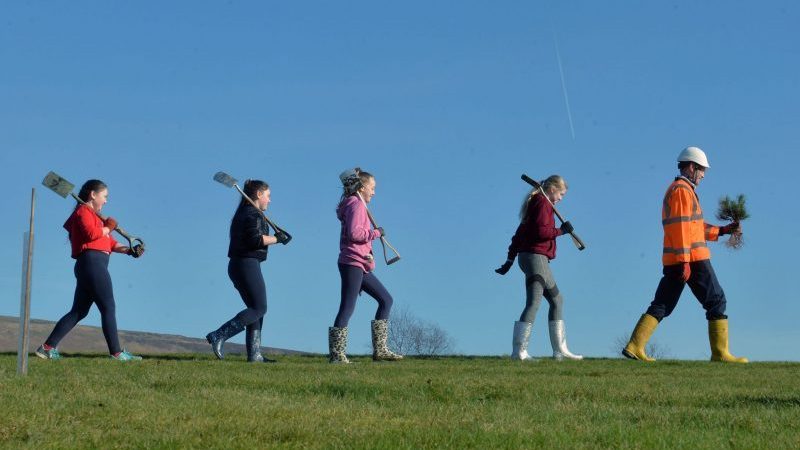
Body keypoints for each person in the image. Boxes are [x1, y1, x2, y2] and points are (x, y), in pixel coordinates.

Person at [622, 147, 747, 363]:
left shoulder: (682, 190)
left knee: (663, 304)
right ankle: (720, 354)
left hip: (680, 259)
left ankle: (634, 346)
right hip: (691, 259)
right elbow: (680, 229)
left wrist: (722, 231)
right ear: (691, 167)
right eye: (701, 170)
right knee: (716, 300)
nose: (703, 175)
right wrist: (684, 261)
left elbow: (693, 228)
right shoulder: (681, 190)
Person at [35, 180, 145, 361]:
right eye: (105, 196)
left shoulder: (95, 216)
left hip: (90, 266)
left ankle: (47, 347)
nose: (106, 201)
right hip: (93, 265)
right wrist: (108, 227)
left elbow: (109, 243)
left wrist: (129, 251)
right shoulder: (82, 212)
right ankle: (117, 353)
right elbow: (92, 234)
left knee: (79, 311)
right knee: (108, 307)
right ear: (93, 195)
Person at [495, 175, 583, 361]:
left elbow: (518, 236)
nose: (561, 199)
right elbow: (541, 232)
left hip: (530, 258)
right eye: (561, 194)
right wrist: (562, 231)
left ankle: (560, 351)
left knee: (557, 300)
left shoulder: (534, 204)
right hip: (536, 258)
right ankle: (519, 352)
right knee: (534, 302)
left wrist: (509, 261)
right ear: (552, 189)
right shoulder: (542, 204)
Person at [206, 179, 289, 363]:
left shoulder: (247, 212)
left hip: (241, 264)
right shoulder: (252, 213)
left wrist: (276, 238)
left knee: (256, 309)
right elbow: (255, 240)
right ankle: (219, 335)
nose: (270, 200)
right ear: (258, 195)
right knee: (260, 307)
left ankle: (255, 354)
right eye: (268, 195)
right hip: (246, 264)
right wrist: (277, 239)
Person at [328, 168, 403, 363]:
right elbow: (354, 234)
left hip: (358, 263)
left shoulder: (355, 204)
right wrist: (375, 233)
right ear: (362, 187)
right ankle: (336, 355)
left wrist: (369, 257)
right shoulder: (356, 205)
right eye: (372, 187)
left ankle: (380, 350)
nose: (374, 192)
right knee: (347, 307)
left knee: (386, 299)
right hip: (351, 263)